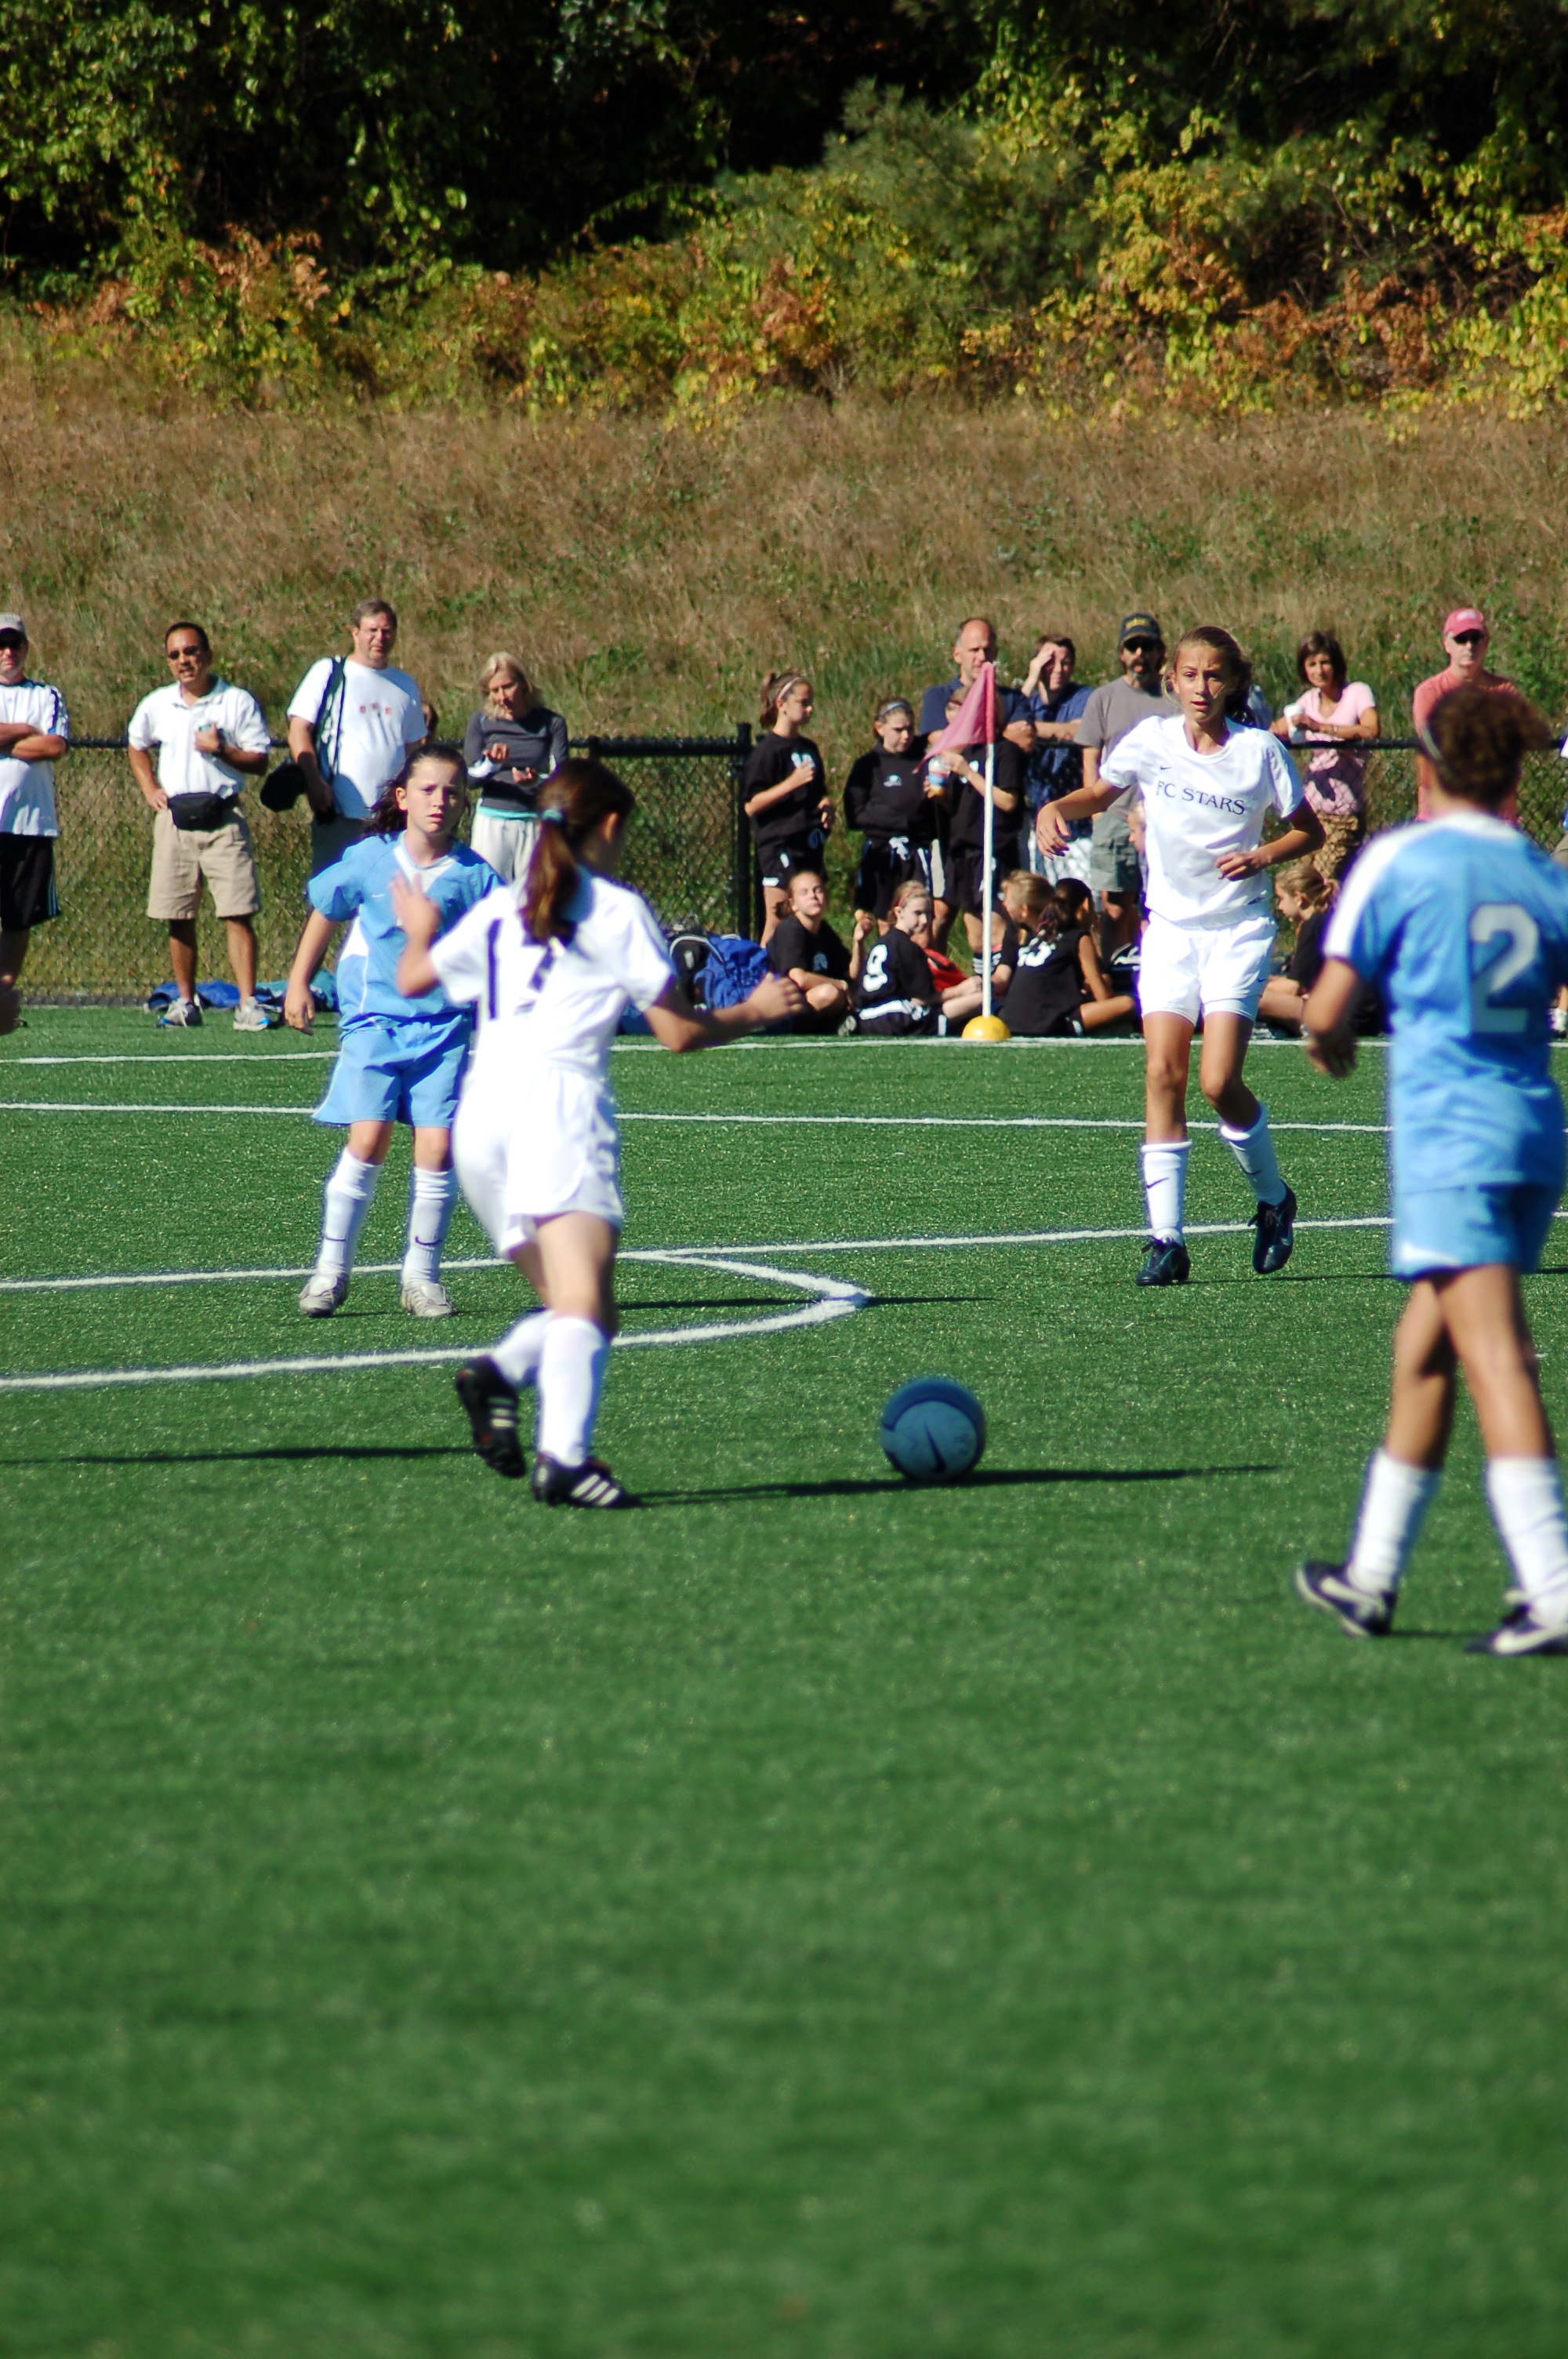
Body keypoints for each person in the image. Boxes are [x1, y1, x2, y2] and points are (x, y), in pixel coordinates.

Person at [392, 758, 802, 1507]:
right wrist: (756, 1010)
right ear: (610, 826)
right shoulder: (613, 908)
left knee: (587, 1310)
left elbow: (413, 978)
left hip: (481, 1119)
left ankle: (498, 1377)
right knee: (583, 1307)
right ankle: (565, 1461)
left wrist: (420, 931)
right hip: (556, 1111)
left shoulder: (506, 905)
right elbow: (677, 1032)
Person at [1295, 685, 1568, 1656]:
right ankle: (1369, 1576)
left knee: (1493, 1350)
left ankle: (1553, 1587)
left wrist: (1328, 1040)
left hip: (1455, 1140)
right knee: (1423, 1348)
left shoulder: (1399, 859)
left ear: (1426, 766)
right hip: (1531, 1130)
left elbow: (1325, 1008)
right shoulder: (1540, 872)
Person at [1039, 623, 1324, 1285]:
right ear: (1172, 680)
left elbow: (1307, 830)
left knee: (1218, 1082)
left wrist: (1261, 855)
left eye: (1214, 675)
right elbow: (1099, 795)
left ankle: (1274, 1199)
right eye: (1190, 675)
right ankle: (1165, 1240)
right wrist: (1055, 807)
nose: (1201, 687)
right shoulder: (1151, 740)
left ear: (1233, 683)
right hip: (1168, 931)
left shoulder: (1259, 750)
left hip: (1237, 931)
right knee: (1162, 1073)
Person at [283, 744, 498, 1318]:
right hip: (375, 1022)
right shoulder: (372, 857)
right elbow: (326, 909)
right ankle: (330, 1272)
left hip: (444, 1029)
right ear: (402, 798)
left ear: (464, 803)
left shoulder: (475, 876)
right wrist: (299, 981)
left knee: (438, 1147)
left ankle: (421, 1278)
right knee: (368, 1139)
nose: (440, 801)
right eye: (428, 790)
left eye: (453, 792)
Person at [126, 621, 273, 1031]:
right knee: (178, 914)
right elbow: (136, 745)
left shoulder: (235, 701)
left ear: (208, 655)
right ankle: (185, 1002)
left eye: (191, 652)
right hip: (175, 821)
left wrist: (222, 749)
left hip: (223, 818)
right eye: (175, 655)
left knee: (237, 912)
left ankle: (248, 1003)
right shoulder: (158, 704)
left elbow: (260, 759)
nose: (184, 661)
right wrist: (149, 788)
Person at [1062, 614, 1180, 953]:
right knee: (1115, 908)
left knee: (1163, 905)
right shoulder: (1103, 698)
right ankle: (1115, 971)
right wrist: (1098, 815)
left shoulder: (1175, 699)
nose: (1140, 654)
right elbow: (1090, 761)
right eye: (1132, 646)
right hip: (1115, 815)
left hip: (1165, 817)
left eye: (1147, 646)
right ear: (1121, 654)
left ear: (1161, 652)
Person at [287, 598, 427, 875]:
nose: (380, 638)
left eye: (386, 631)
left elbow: (415, 750)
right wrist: (314, 782)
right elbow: (298, 730)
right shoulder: (330, 672)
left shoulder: (405, 685)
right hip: (339, 810)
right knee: (332, 890)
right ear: (355, 633)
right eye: (372, 631)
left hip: (391, 817)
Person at [0, 612, 69, 1035]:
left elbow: (55, 745)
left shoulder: (46, 695)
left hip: (30, 825)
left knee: (18, 918)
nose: (8, 652)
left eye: (14, 644)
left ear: (25, 648)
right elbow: (37, 739)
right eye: (1, 645)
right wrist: (25, 731)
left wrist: (7, 740)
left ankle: (3, 996)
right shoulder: (30, 713)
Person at [1272, 631, 1379, 881]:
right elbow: (1276, 729)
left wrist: (1320, 727)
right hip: (1312, 808)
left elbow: (1371, 730)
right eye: (1311, 664)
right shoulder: (1307, 701)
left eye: (1324, 662)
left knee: (1322, 880)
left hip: (1344, 813)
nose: (1319, 670)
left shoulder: (1356, 693)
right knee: (1299, 880)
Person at [926, 688, 1026, 956]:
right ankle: (983, 978)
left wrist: (969, 773)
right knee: (975, 934)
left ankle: (1003, 978)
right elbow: (962, 806)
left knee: (995, 926)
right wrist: (941, 796)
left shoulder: (1004, 751)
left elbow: (1008, 801)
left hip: (992, 848)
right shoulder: (966, 752)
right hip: (963, 851)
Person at [742, 671, 833, 944]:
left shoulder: (808, 748)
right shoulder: (767, 751)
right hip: (780, 844)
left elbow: (819, 792)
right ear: (782, 704)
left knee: (809, 917)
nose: (810, 709)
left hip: (808, 843)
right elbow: (751, 805)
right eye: (803, 703)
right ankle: (761, 968)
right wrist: (790, 784)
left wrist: (826, 805)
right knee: (779, 918)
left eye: (811, 702)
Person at [463, 654, 569, 885]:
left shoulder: (551, 723)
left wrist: (536, 781)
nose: (502, 697)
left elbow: (562, 780)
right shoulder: (480, 721)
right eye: (495, 690)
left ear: (524, 684)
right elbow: (470, 778)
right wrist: (492, 764)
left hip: (534, 821)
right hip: (492, 822)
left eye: (508, 687)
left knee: (534, 893)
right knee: (490, 892)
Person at [842, 700, 943, 925]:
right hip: (882, 852)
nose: (906, 736)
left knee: (921, 920)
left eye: (910, 729)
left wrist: (938, 798)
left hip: (916, 852)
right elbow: (855, 815)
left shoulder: (926, 761)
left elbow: (937, 814)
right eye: (898, 730)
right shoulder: (868, 765)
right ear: (880, 728)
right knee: (885, 919)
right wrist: (898, 822)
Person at [1001, 876, 1140, 1038]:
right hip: (1047, 1024)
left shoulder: (1037, 936)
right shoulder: (1079, 938)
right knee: (1129, 1003)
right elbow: (1102, 996)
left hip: (1011, 1021)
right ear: (1086, 905)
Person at [1412, 609, 1514, 820]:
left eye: (1476, 639)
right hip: (1441, 816)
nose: (1469, 646)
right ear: (1446, 644)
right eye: (1461, 639)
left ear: (1486, 643)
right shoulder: (1430, 692)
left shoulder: (1504, 691)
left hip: (1494, 817)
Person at [1021, 631, 1093, 882]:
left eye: (1066, 662)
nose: (1059, 669)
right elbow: (1006, 723)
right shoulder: (1027, 703)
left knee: (1082, 896)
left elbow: (1077, 731)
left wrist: (1029, 730)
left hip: (1078, 830)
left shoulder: (1082, 697)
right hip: (1037, 826)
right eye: (1050, 662)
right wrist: (1031, 678)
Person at [767, 867, 859, 1028]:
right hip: (782, 1005)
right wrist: (840, 985)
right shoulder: (790, 930)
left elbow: (851, 975)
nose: (813, 896)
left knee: (854, 992)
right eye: (804, 892)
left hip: (808, 999)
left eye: (818, 890)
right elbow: (799, 979)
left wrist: (859, 941)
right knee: (830, 994)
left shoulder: (824, 930)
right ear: (793, 904)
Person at [851, 881, 942, 1035]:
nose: (925, 920)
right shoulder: (906, 946)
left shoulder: (883, 941)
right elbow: (923, 998)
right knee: (972, 1001)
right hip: (892, 1016)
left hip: (864, 1015)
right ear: (899, 912)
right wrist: (963, 990)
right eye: (918, 913)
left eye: (928, 914)